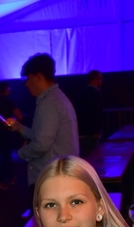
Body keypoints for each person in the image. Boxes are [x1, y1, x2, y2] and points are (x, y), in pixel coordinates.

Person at [6, 53, 79, 196]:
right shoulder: (58, 98)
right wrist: (19, 127)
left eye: (28, 79)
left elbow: (41, 145)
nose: (26, 84)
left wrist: (21, 153)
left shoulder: (48, 103)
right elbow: (43, 136)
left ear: (38, 77)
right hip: (61, 176)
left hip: (51, 179)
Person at [0, 82, 23, 190]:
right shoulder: (9, 101)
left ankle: (10, 177)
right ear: (6, 89)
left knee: (4, 156)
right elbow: (19, 116)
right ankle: (0, 180)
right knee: (6, 156)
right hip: (7, 132)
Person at [76, 70, 105, 157]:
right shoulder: (96, 93)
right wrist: (97, 131)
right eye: (100, 78)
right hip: (92, 133)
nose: (101, 81)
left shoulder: (81, 92)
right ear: (95, 79)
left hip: (82, 131)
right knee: (93, 156)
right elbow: (97, 113)